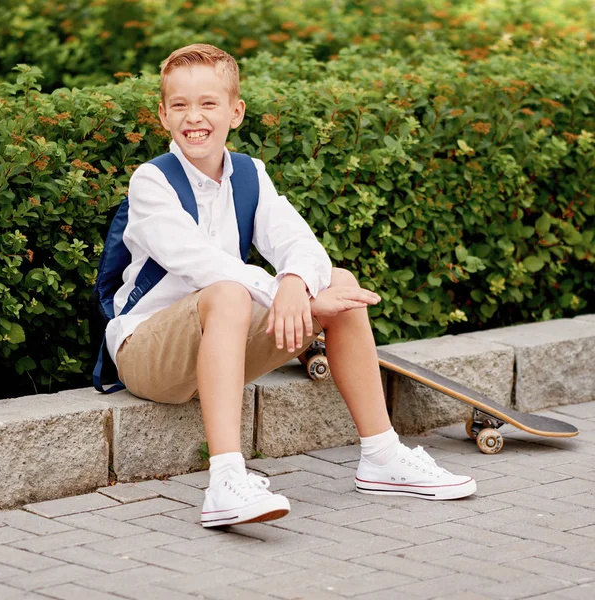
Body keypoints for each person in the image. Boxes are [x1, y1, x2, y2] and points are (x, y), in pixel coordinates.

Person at [106, 43, 476, 528]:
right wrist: (284, 290)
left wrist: (298, 283)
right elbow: (198, 264)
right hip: (148, 353)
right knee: (228, 290)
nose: (194, 117)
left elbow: (300, 243)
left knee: (338, 283)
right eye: (180, 106)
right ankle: (225, 481)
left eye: (208, 104)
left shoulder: (251, 175)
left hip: (221, 343)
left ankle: (382, 456)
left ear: (236, 112)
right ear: (163, 115)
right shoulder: (151, 180)